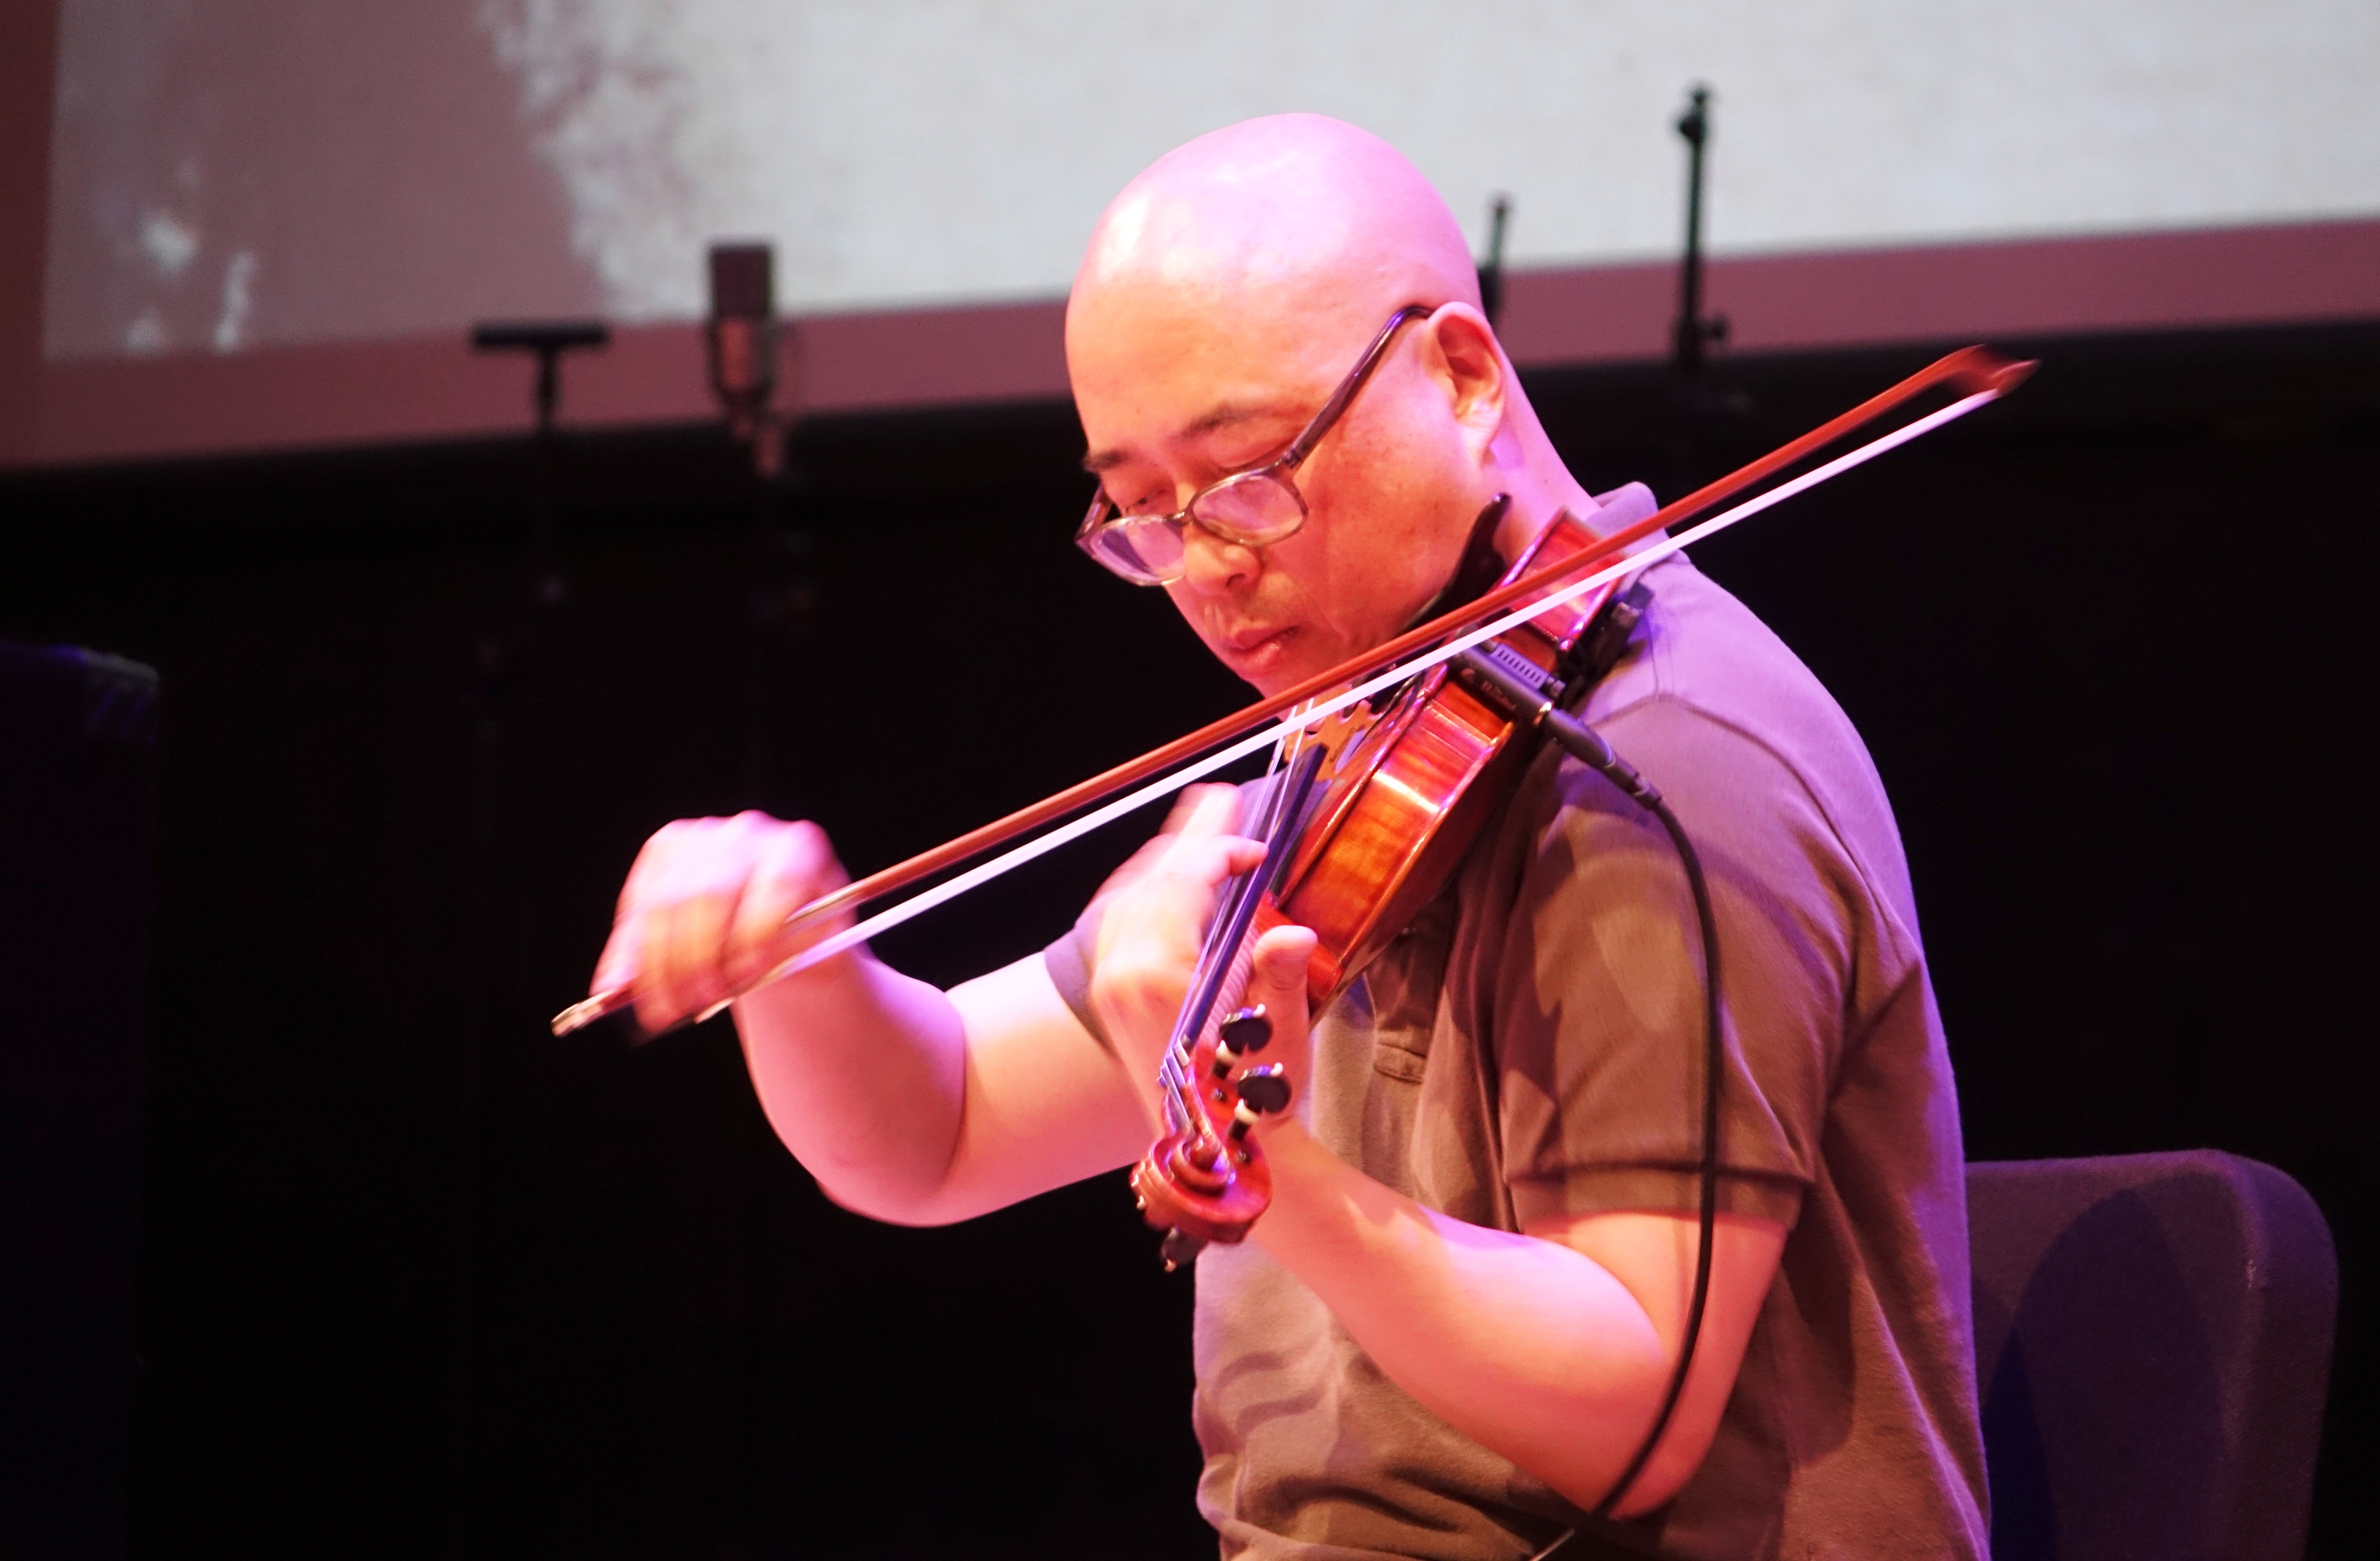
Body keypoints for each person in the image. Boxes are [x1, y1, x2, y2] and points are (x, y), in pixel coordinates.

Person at [589, 115, 1989, 1560]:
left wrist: (1260, 1166)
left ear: (1458, 377)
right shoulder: (1363, 739)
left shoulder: (1665, 762)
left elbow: (1628, 1415)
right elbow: (928, 1134)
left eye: (1248, 476)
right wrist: (801, 962)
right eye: (1140, 514)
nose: (1204, 570)